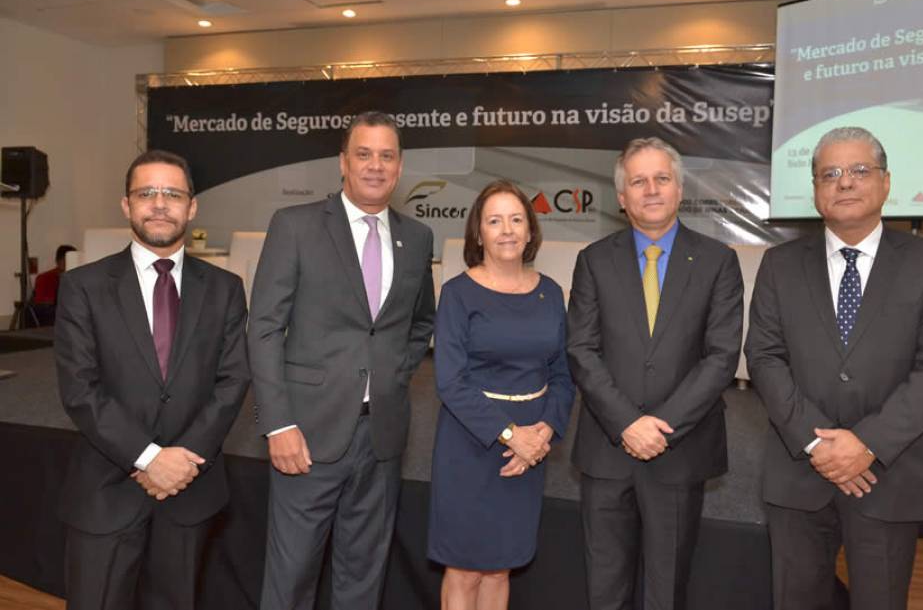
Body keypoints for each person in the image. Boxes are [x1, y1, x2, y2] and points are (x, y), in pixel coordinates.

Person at [745, 126, 923, 610]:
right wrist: (819, 444)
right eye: (830, 174)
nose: (844, 182)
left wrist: (866, 444)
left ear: (886, 182)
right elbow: (764, 356)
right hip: (799, 473)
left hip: (889, 474)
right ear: (815, 190)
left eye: (859, 170)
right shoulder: (779, 265)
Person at [250, 111, 436, 610]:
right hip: (305, 435)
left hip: (382, 437)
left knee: (363, 578)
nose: (375, 166)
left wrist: (391, 376)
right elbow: (263, 329)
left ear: (400, 167)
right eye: (364, 154)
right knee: (291, 578)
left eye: (387, 156)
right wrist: (278, 424)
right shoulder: (295, 226)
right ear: (342, 162)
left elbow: (421, 322)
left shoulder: (417, 238)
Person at [54, 150, 250, 610]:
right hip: (106, 490)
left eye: (172, 194)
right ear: (127, 204)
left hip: (189, 490)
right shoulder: (83, 286)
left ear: (192, 206)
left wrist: (180, 463)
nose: (160, 204)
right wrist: (148, 458)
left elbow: (233, 380)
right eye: (147, 193)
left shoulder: (225, 289)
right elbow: (80, 389)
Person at [567, 137, 743, 610]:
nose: (651, 190)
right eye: (638, 181)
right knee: (605, 591)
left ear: (679, 189)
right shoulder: (594, 260)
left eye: (661, 178)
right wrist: (627, 422)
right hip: (608, 451)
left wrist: (661, 427)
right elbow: (581, 349)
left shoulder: (718, 261)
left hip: (679, 451)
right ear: (621, 197)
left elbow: (721, 356)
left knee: (666, 593)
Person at [428, 180, 575, 610]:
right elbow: (449, 380)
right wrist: (513, 435)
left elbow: (563, 373)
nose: (507, 230)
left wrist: (543, 433)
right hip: (470, 446)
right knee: (464, 570)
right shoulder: (457, 294)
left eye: (516, 220)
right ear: (478, 233)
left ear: (530, 230)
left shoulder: (552, 293)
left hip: (530, 451)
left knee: (500, 567)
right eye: (494, 221)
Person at [32, 243, 76, 325]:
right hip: (50, 321)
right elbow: (43, 307)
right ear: (59, 261)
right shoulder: (45, 278)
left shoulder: (76, 278)